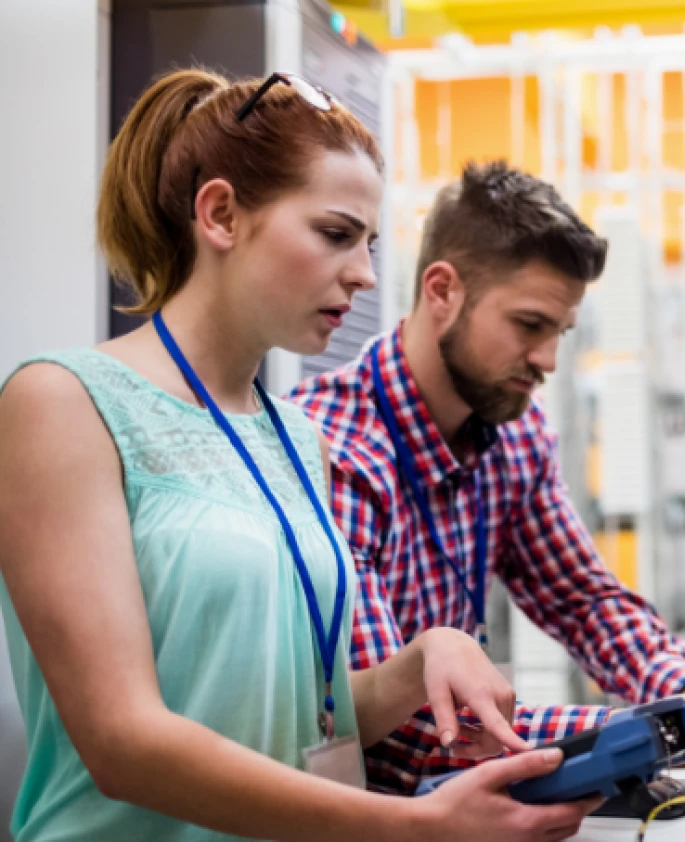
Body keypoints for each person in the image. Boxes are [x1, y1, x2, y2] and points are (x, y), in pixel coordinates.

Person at [0, 69, 601, 841]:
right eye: (335, 234)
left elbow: (303, 714)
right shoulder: (62, 403)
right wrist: (415, 828)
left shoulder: (297, 437)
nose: (364, 274)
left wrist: (420, 662)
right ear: (220, 215)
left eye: (370, 243)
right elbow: (125, 742)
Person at [288, 160, 685, 794]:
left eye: (560, 332)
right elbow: (397, 730)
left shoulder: (512, 432)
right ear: (443, 290)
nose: (548, 361)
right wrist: (657, 734)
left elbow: (581, 600)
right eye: (529, 326)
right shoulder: (333, 451)